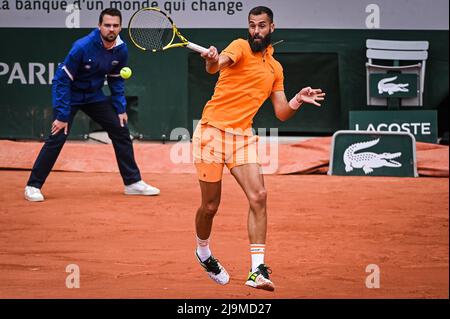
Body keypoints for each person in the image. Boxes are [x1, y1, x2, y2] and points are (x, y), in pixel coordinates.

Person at [193, 6, 325, 291]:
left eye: (261, 26)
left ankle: (256, 271)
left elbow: (281, 112)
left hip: (242, 138)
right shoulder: (239, 46)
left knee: (259, 196)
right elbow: (219, 64)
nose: (256, 31)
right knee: (210, 206)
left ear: (272, 28)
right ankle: (203, 252)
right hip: (211, 134)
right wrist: (213, 60)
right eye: (252, 25)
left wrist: (298, 99)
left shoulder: (275, 68)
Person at [24, 8, 160, 202]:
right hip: (70, 94)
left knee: (120, 129)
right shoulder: (82, 47)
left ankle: (132, 183)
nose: (111, 29)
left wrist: (120, 108)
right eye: (107, 25)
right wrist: (62, 115)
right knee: (57, 135)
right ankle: (33, 186)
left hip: (93, 95)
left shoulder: (121, 49)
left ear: (120, 27)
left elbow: (115, 79)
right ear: (99, 26)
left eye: (115, 25)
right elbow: (61, 81)